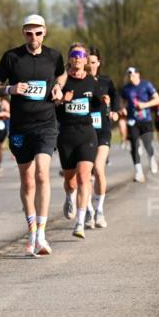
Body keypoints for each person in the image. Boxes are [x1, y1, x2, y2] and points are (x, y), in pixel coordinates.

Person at [0, 14, 65, 256]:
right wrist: (10, 89)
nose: (33, 37)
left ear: (45, 32)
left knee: (43, 173)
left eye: (38, 33)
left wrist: (58, 87)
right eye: (28, 33)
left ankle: (42, 234)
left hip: (46, 124)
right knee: (28, 180)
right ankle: (32, 230)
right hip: (20, 127)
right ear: (23, 33)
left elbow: (62, 74)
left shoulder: (54, 56)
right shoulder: (12, 57)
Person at [54, 43, 98, 238]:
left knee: (83, 177)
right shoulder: (62, 81)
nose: (78, 58)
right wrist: (63, 100)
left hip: (87, 134)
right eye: (74, 54)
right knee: (70, 181)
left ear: (86, 59)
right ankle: (69, 197)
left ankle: (80, 223)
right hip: (66, 135)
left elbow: (98, 102)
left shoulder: (91, 81)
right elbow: (53, 104)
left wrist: (104, 103)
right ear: (69, 58)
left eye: (81, 54)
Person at [87, 47, 117, 228]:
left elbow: (116, 96)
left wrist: (114, 110)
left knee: (98, 169)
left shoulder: (106, 81)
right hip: (85, 130)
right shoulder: (80, 81)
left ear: (98, 63)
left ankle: (99, 210)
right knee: (86, 174)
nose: (90, 65)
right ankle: (89, 210)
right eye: (87, 62)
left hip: (103, 129)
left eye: (93, 62)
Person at [120, 66, 159, 182]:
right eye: (129, 75)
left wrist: (144, 105)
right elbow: (123, 102)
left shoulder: (146, 85)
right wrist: (123, 109)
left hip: (146, 119)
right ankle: (138, 171)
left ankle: (152, 158)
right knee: (134, 145)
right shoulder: (126, 89)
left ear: (138, 74)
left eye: (132, 74)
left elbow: (157, 100)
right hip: (133, 121)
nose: (130, 77)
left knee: (147, 144)